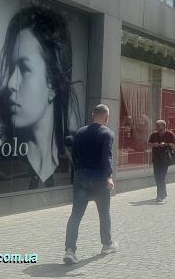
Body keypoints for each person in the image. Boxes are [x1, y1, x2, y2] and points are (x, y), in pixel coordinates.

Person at [0, 5, 81, 187]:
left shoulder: (73, 161)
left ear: (52, 84)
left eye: (24, 68)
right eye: (11, 68)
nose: (10, 83)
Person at [63, 104, 117, 264]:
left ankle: (70, 250)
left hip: (81, 176)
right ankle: (107, 245)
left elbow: (74, 154)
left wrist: (79, 171)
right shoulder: (107, 133)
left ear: (93, 115)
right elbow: (106, 156)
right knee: (104, 212)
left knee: (76, 214)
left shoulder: (80, 132)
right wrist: (109, 176)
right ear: (106, 117)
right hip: (99, 177)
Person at [148, 119, 175, 203]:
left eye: (159, 125)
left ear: (164, 126)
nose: (157, 127)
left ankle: (159, 195)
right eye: (156, 125)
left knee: (161, 176)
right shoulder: (154, 134)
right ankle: (163, 194)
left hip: (165, 159)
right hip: (156, 158)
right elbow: (149, 144)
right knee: (157, 177)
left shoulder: (170, 134)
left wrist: (166, 144)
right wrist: (154, 144)